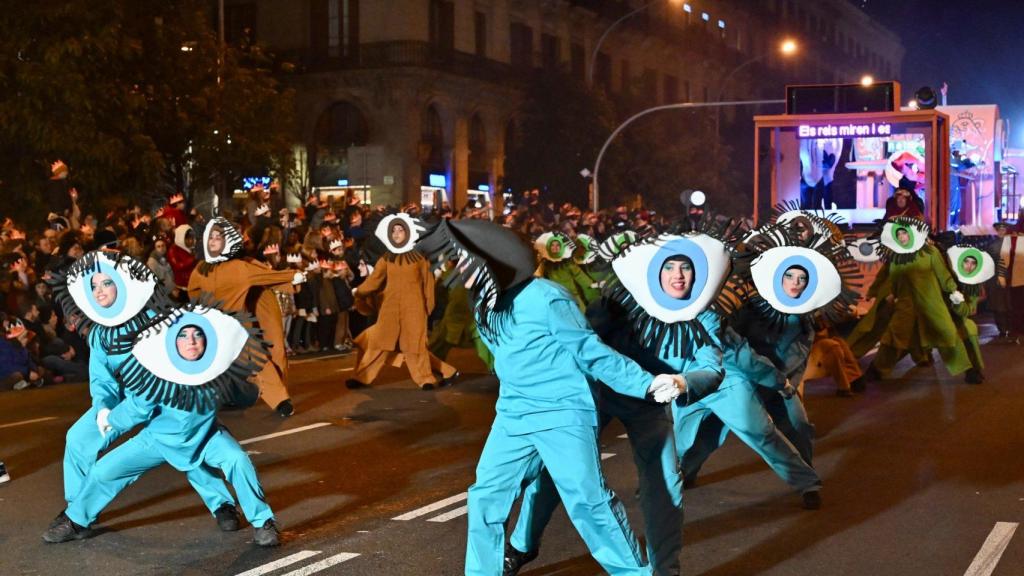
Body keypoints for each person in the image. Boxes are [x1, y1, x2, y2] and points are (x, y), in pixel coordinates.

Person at [418, 218, 685, 576]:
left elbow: (591, 351)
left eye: (464, 264)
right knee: (485, 496)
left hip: (563, 413)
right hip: (513, 415)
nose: (457, 270)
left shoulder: (546, 297)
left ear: (491, 264)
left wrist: (645, 384)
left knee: (588, 501)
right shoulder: (484, 303)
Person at [43, 302, 280, 547]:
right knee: (103, 469)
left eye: (198, 335)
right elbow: (133, 404)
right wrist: (107, 417)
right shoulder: (141, 361)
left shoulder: (212, 366)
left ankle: (260, 521)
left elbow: (246, 395)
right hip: (158, 437)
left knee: (236, 459)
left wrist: (242, 381)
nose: (191, 341)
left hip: (204, 437)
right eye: (184, 336)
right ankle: (76, 518)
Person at [45, 251, 238, 538]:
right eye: (94, 287)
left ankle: (222, 505)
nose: (99, 291)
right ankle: (78, 511)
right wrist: (102, 409)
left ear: (121, 285)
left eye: (106, 284)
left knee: (182, 446)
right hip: (126, 402)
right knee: (78, 437)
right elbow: (102, 381)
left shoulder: (154, 319)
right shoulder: (99, 334)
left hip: (165, 398)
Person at [188, 218, 305, 417]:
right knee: (206, 365)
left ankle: (281, 401)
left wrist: (293, 276)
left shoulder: (241, 267)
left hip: (237, 326)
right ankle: (217, 399)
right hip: (211, 325)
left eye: (219, 237)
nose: (214, 241)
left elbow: (268, 276)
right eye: (211, 238)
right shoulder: (201, 269)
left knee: (258, 361)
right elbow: (193, 291)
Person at [346, 214, 457, 391]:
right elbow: (374, 280)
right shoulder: (386, 259)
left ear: (407, 232)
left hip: (414, 309)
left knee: (414, 345)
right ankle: (362, 377)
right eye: (394, 231)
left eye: (400, 230)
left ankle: (426, 379)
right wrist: (359, 292)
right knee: (379, 343)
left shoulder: (419, 259)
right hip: (389, 309)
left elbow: (428, 284)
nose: (397, 233)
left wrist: (428, 307)